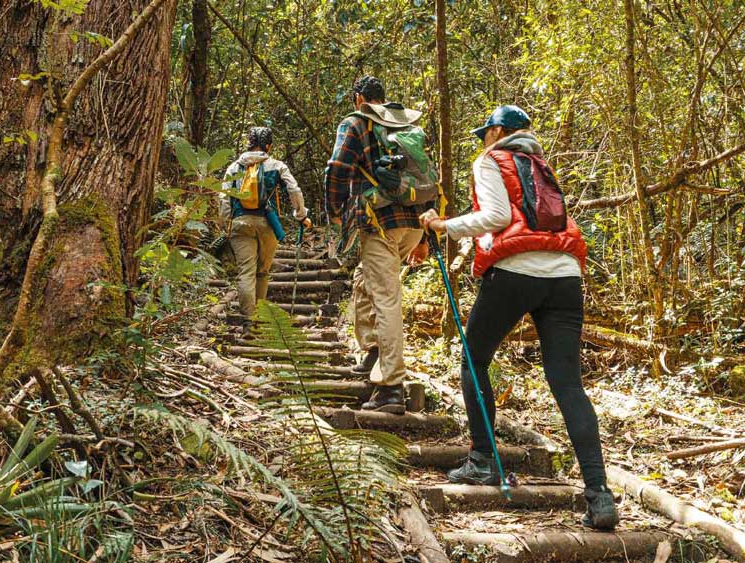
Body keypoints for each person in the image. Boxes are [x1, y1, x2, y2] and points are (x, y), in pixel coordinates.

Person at [419, 105, 618, 530]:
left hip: (513, 272)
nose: (481, 141)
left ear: (496, 131)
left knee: (474, 359)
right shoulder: (542, 164)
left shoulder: (492, 159)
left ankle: (483, 460)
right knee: (567, 382)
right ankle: (599, 496)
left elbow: (496, 218)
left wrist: (443, 226)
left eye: (483, 133)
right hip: (565, 276)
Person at [325, 76, 435, 414]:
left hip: (380, 223)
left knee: (386, 298)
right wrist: (428, 237)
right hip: (414, 224)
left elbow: (338, 169)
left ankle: (390, 387)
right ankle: (373, 350)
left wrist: (335, 212)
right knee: (364, 280)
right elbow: (428, 178)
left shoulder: (356, 123)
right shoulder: (404, 126)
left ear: (359, 99)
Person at [221, 126, 309, 319]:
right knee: (262, 272)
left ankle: (248, 322)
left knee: (246, 272)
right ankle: (260, 318)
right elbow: (293, 189)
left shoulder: (234, 167)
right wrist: (301, 214)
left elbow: (223, 198)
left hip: (240, 223)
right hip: (267, 224)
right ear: (268, 146)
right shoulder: (276, 165)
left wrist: (227, 223)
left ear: (249, 144)